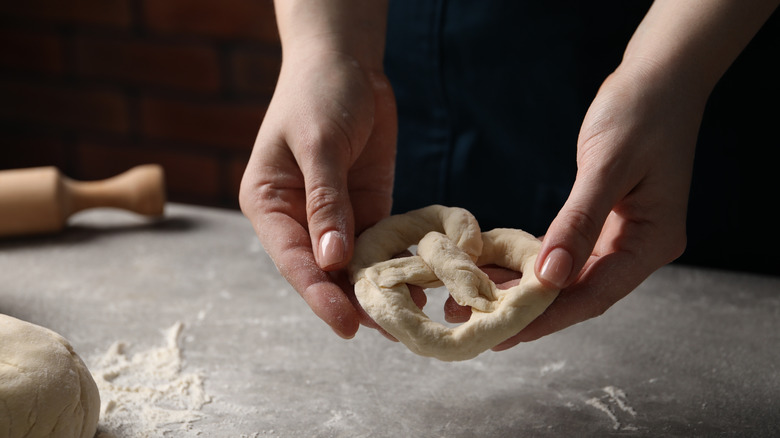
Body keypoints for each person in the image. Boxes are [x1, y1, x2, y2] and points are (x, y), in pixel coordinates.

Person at [239, 0, 779, 348]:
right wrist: (327, 51)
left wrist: (670, 73)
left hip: (650, 63)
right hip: (395, 65)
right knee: (376, 220)